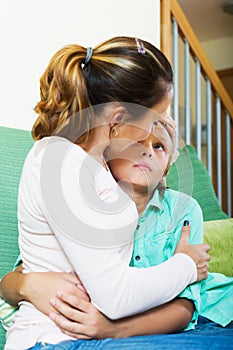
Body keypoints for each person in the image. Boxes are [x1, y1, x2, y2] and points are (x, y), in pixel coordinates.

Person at [0, 36, 210, 350]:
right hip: (55, 340)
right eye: (153, 119)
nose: (157, 129)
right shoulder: (58, 162)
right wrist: (185, 266)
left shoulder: (93, 165)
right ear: (119, 119)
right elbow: (115, 296)